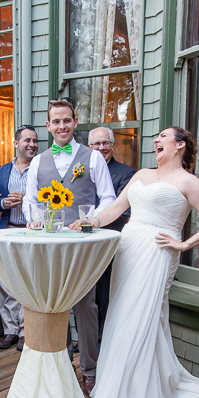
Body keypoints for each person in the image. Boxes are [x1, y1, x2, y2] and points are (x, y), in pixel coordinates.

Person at [81, 126, 199, 398]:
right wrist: (90, 223)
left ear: (180, 145)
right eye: (156, 137)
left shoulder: (189, 181)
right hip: (127, 248)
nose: (156, 140)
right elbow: (118, 207)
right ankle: (120, 389)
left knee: (141, 317)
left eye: (163, 136)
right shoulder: (142, 174)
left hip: (158, 252)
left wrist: (184, 243)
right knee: (121, 315)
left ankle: (134, 397)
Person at [23, 98, 117, 394]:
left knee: (85, 306)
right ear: (48, 126)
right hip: (49, 246)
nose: (62, 126)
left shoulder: (93, 158)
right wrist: (33, 218)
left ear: (75, 123)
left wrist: (91, 220)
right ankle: (59, 363)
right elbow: (29, 200)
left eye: (67, 120)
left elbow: (109, 198)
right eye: (56, 121)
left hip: (82, 246)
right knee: (53, 303)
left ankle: (90, 369)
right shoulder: (38, 161)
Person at [0, 124, 38, 351]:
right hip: (8, 228)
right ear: (16, 143)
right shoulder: (3, 170)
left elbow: (50, 197)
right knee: (7, 282)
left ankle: (25, 332)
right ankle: (9, 330)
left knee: (27, 282)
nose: (32, 144)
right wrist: (3, 203)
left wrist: (28, 198)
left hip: (31, 231)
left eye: (35, 141)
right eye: (27, 140)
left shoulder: (40, 167)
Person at [89, 126, 136, 340]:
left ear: (113, 145)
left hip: (109, 243)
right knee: (85, 295)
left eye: (105, 143)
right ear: (90, 147)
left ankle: (102, 340)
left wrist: (92, 221)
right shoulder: (83, 171)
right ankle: (87, 339)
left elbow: (123, 210)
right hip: (84, 244)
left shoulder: (126, 174)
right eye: (96, 144)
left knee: (104, 294)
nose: (101, 148)